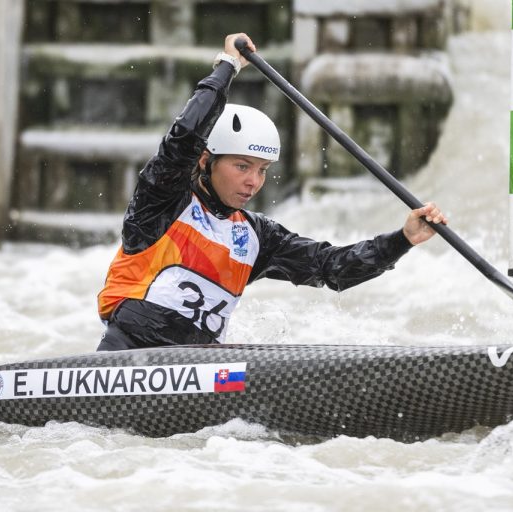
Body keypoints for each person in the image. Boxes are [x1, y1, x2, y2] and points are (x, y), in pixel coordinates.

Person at [96, 33, 448, 351]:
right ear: (205, 161)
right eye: (242, 166)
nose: (254, 181)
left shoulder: (255, 236)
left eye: (262, 170)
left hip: (199, 370)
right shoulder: (162, 202)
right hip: (126, 355)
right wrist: (228, 66)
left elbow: (331, 268)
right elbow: (184, 137)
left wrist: (403, 239)